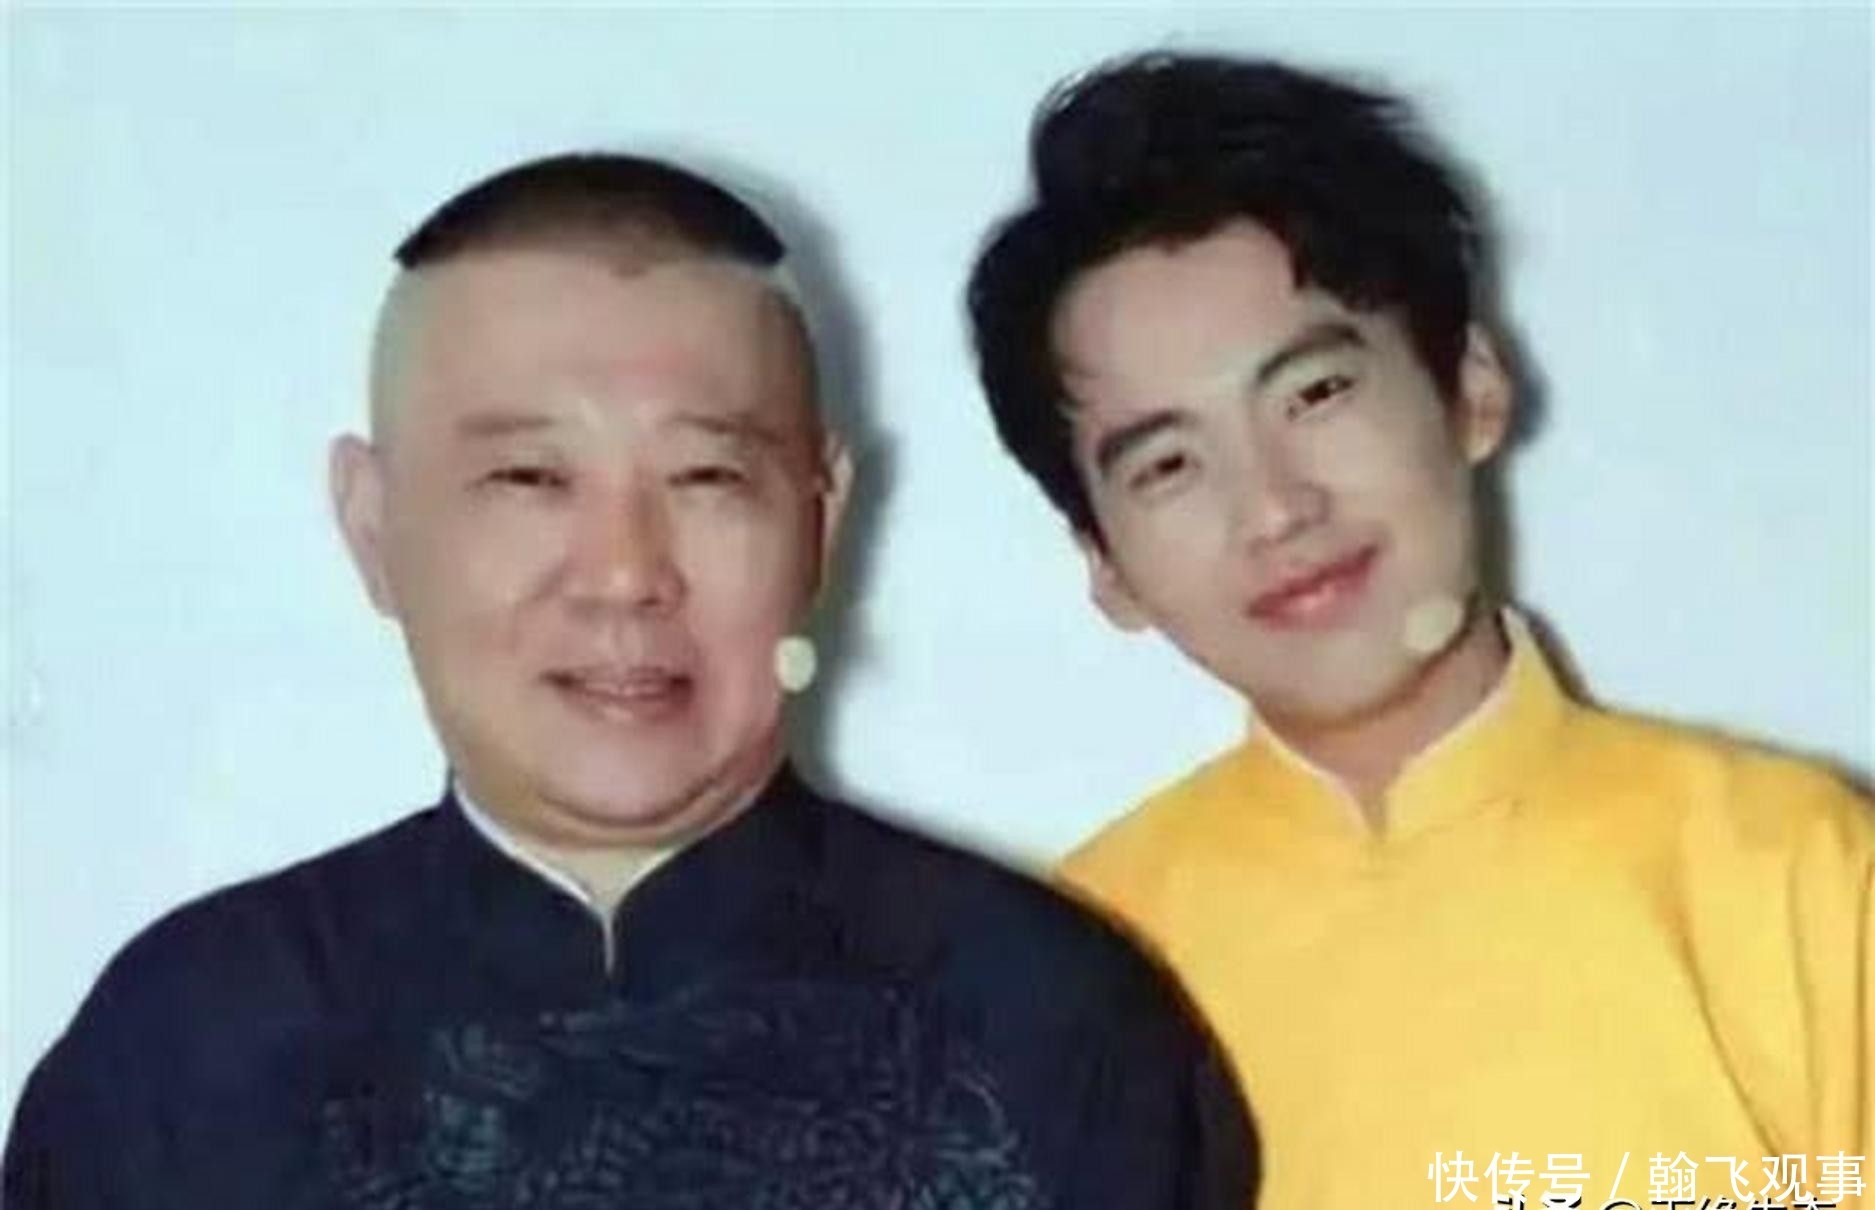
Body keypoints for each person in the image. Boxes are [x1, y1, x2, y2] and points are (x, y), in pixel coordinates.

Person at [6, 152, 1254, 1208]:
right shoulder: (186, 1048)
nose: (623, 574)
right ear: (374, 526)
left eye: (707, 478)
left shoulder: (1055, 1024)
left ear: (820, 520)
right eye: (528, 478)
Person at [967, 53, 1871, 1210]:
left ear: (1471, 386)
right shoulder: (1060, 984)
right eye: (1171, 463)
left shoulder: (1795, 872)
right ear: (1106, 564)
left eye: (1315, 395)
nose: (1276, 506)